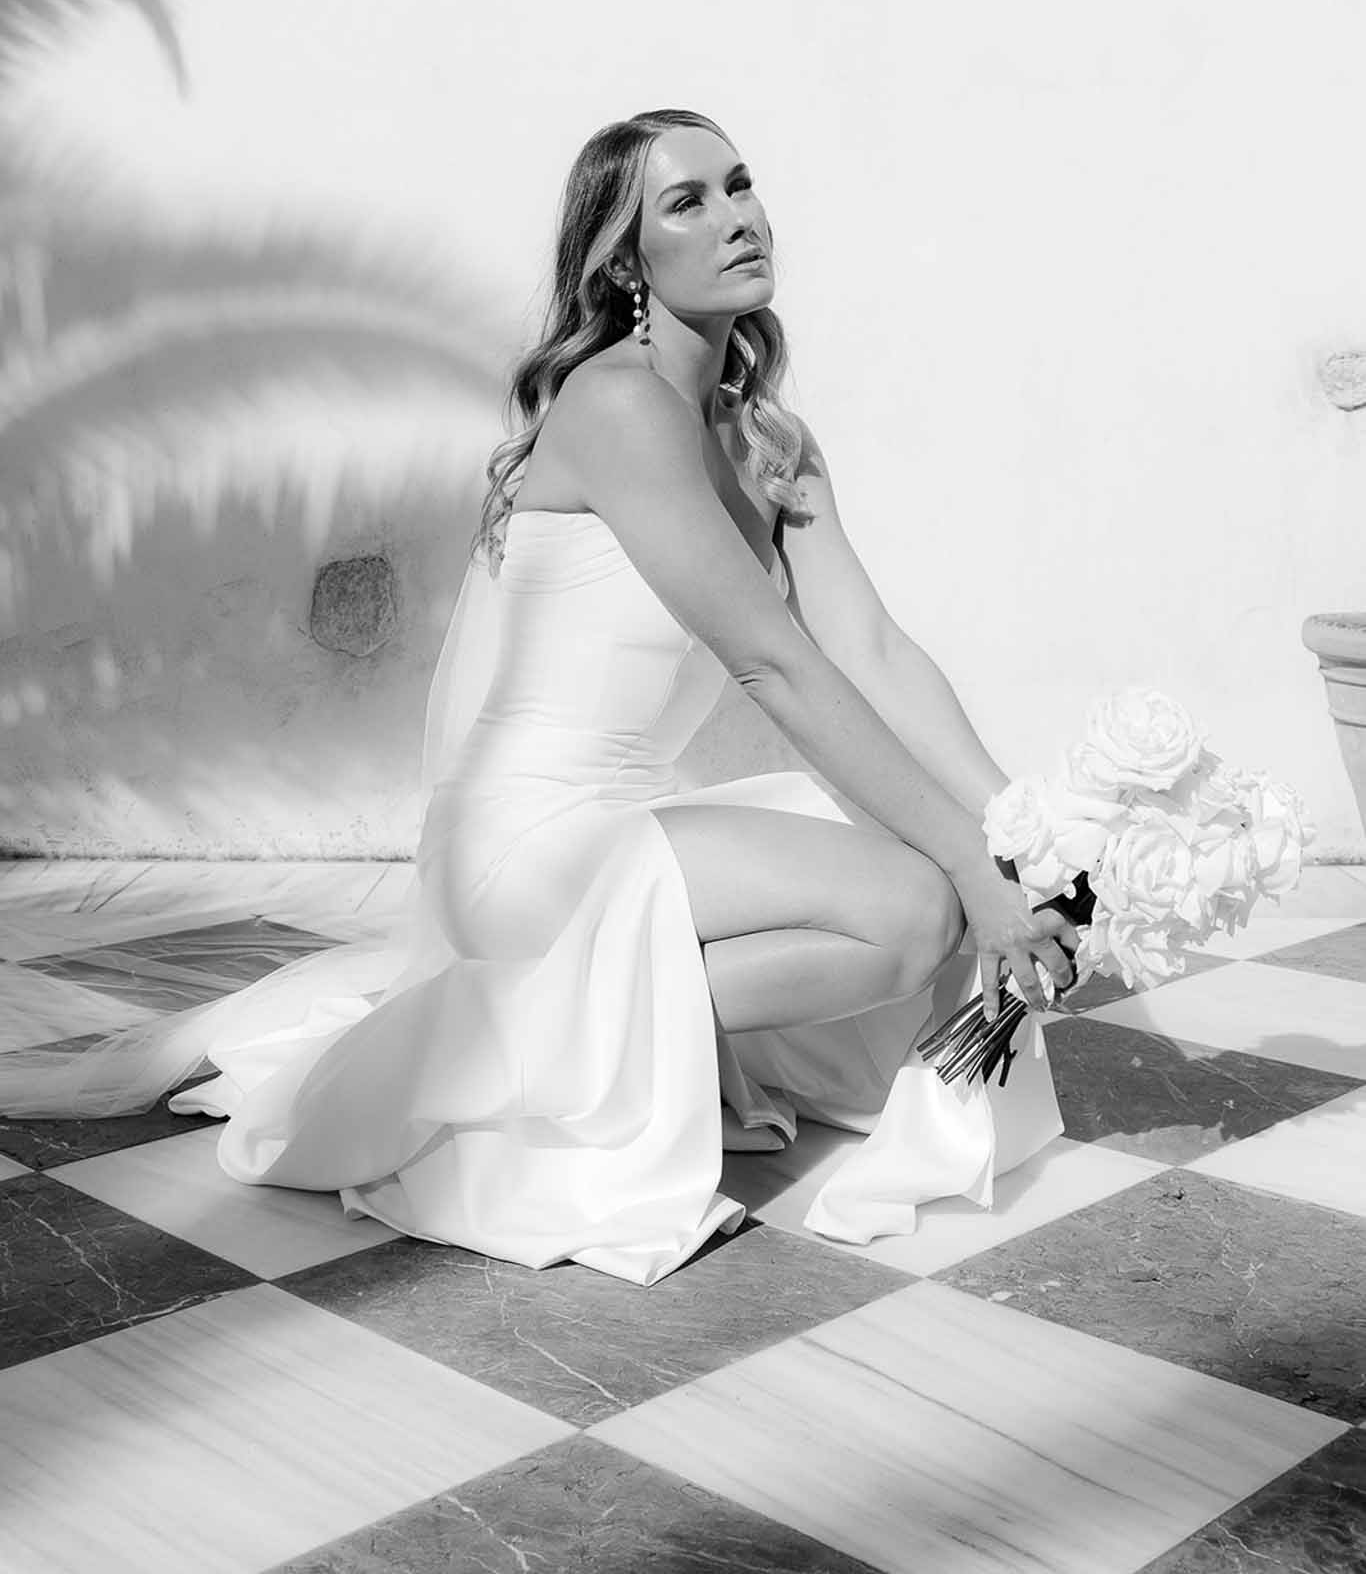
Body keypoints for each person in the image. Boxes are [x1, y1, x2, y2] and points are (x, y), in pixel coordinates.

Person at [0, 107, 1078, 1286]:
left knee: (924, 893)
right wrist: (970, 871)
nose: (737, 217)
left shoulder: (768, 438)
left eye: (740, 184)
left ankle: (577, 1036)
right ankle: (522, 1051)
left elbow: (870, 647)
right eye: (688, 201)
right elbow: (778, 665)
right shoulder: (616, 405)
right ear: (624, 261)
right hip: (529, 838)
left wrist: (1024, 838)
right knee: (914, 904)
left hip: (622, 819)